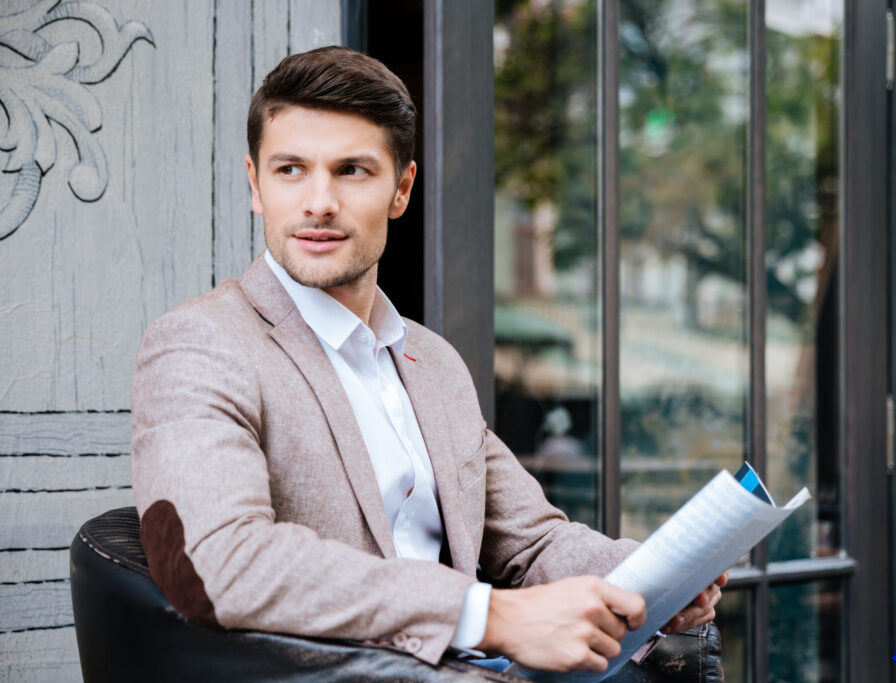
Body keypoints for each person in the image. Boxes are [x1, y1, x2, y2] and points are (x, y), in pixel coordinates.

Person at [131, 45, 724, 676]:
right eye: (290, 170)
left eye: (352, 170)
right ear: (255, 185)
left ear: (401, 189)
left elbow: (533, 540)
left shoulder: (433, 362)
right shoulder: (200, 344)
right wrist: (492, 617)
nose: (318, 202)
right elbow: (221, 560)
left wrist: (650, 577)